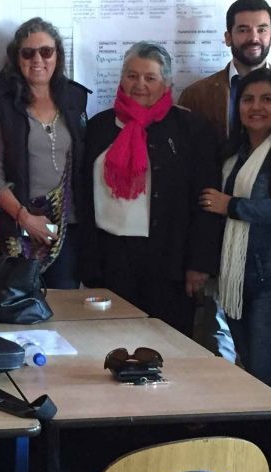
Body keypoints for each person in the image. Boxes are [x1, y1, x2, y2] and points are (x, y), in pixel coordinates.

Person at [78, 42, 223, 334]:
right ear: (121, 79)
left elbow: (206, 201)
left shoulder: (190, 130)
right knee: (109, 341)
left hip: (168, 260)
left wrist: (199, 263)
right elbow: (83, 195)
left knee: (166, 344)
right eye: (132, 76)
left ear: (167, 83)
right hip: (111, 256)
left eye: (150, 77)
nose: (139, 84)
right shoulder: (99, 126)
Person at [201, 66, 271, 399]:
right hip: (237, 275)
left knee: (267, 374)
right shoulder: (234, 150)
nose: (256, 107)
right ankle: (258, 448)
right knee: (251, 370)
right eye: (248, 99)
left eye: (268, 99)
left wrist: (232, 206)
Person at [0, 18, 89, 289]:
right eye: (28, 53)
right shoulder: (3, 105)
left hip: (68, 227)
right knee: (21, 313)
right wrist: (25, 218)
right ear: (16, 58)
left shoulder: (75, 99)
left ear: (58, 55)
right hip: (19, 227)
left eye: (46, 51)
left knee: (63, 311)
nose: (38, 60)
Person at [177, 0, 271, 138]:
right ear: (228, 37)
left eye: (262, 30)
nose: (254, 38)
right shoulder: (196, 96)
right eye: (243, 30)